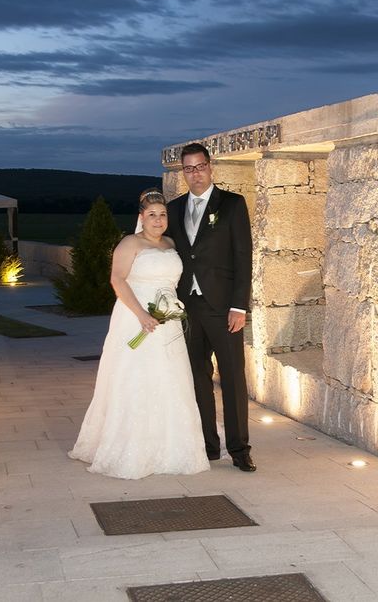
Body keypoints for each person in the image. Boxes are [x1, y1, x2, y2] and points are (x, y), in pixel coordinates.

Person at [68, 189, 209, 479]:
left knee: (170, 380)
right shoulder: (130, 243)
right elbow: (117, 280)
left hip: (167, 322)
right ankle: (130, 448)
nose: (158, 220)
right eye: (152, 215)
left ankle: (170, 447)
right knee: (135, 378)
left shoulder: (171, 243)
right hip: (135, 318)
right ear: (141, 218)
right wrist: (142, 315)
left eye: (162, 215)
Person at [166, 142, 256, 472]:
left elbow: (243, 258)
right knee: (197, 378)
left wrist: (239, 306)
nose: (195, 174)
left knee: (232, 377)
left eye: (200, 166)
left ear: (210, 166)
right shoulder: (173, 209)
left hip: (223, 308)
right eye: (188, 169)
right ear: (183, 172)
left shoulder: (232, 205)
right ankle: (208, 445)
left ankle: (239, 448)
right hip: (186, 309)